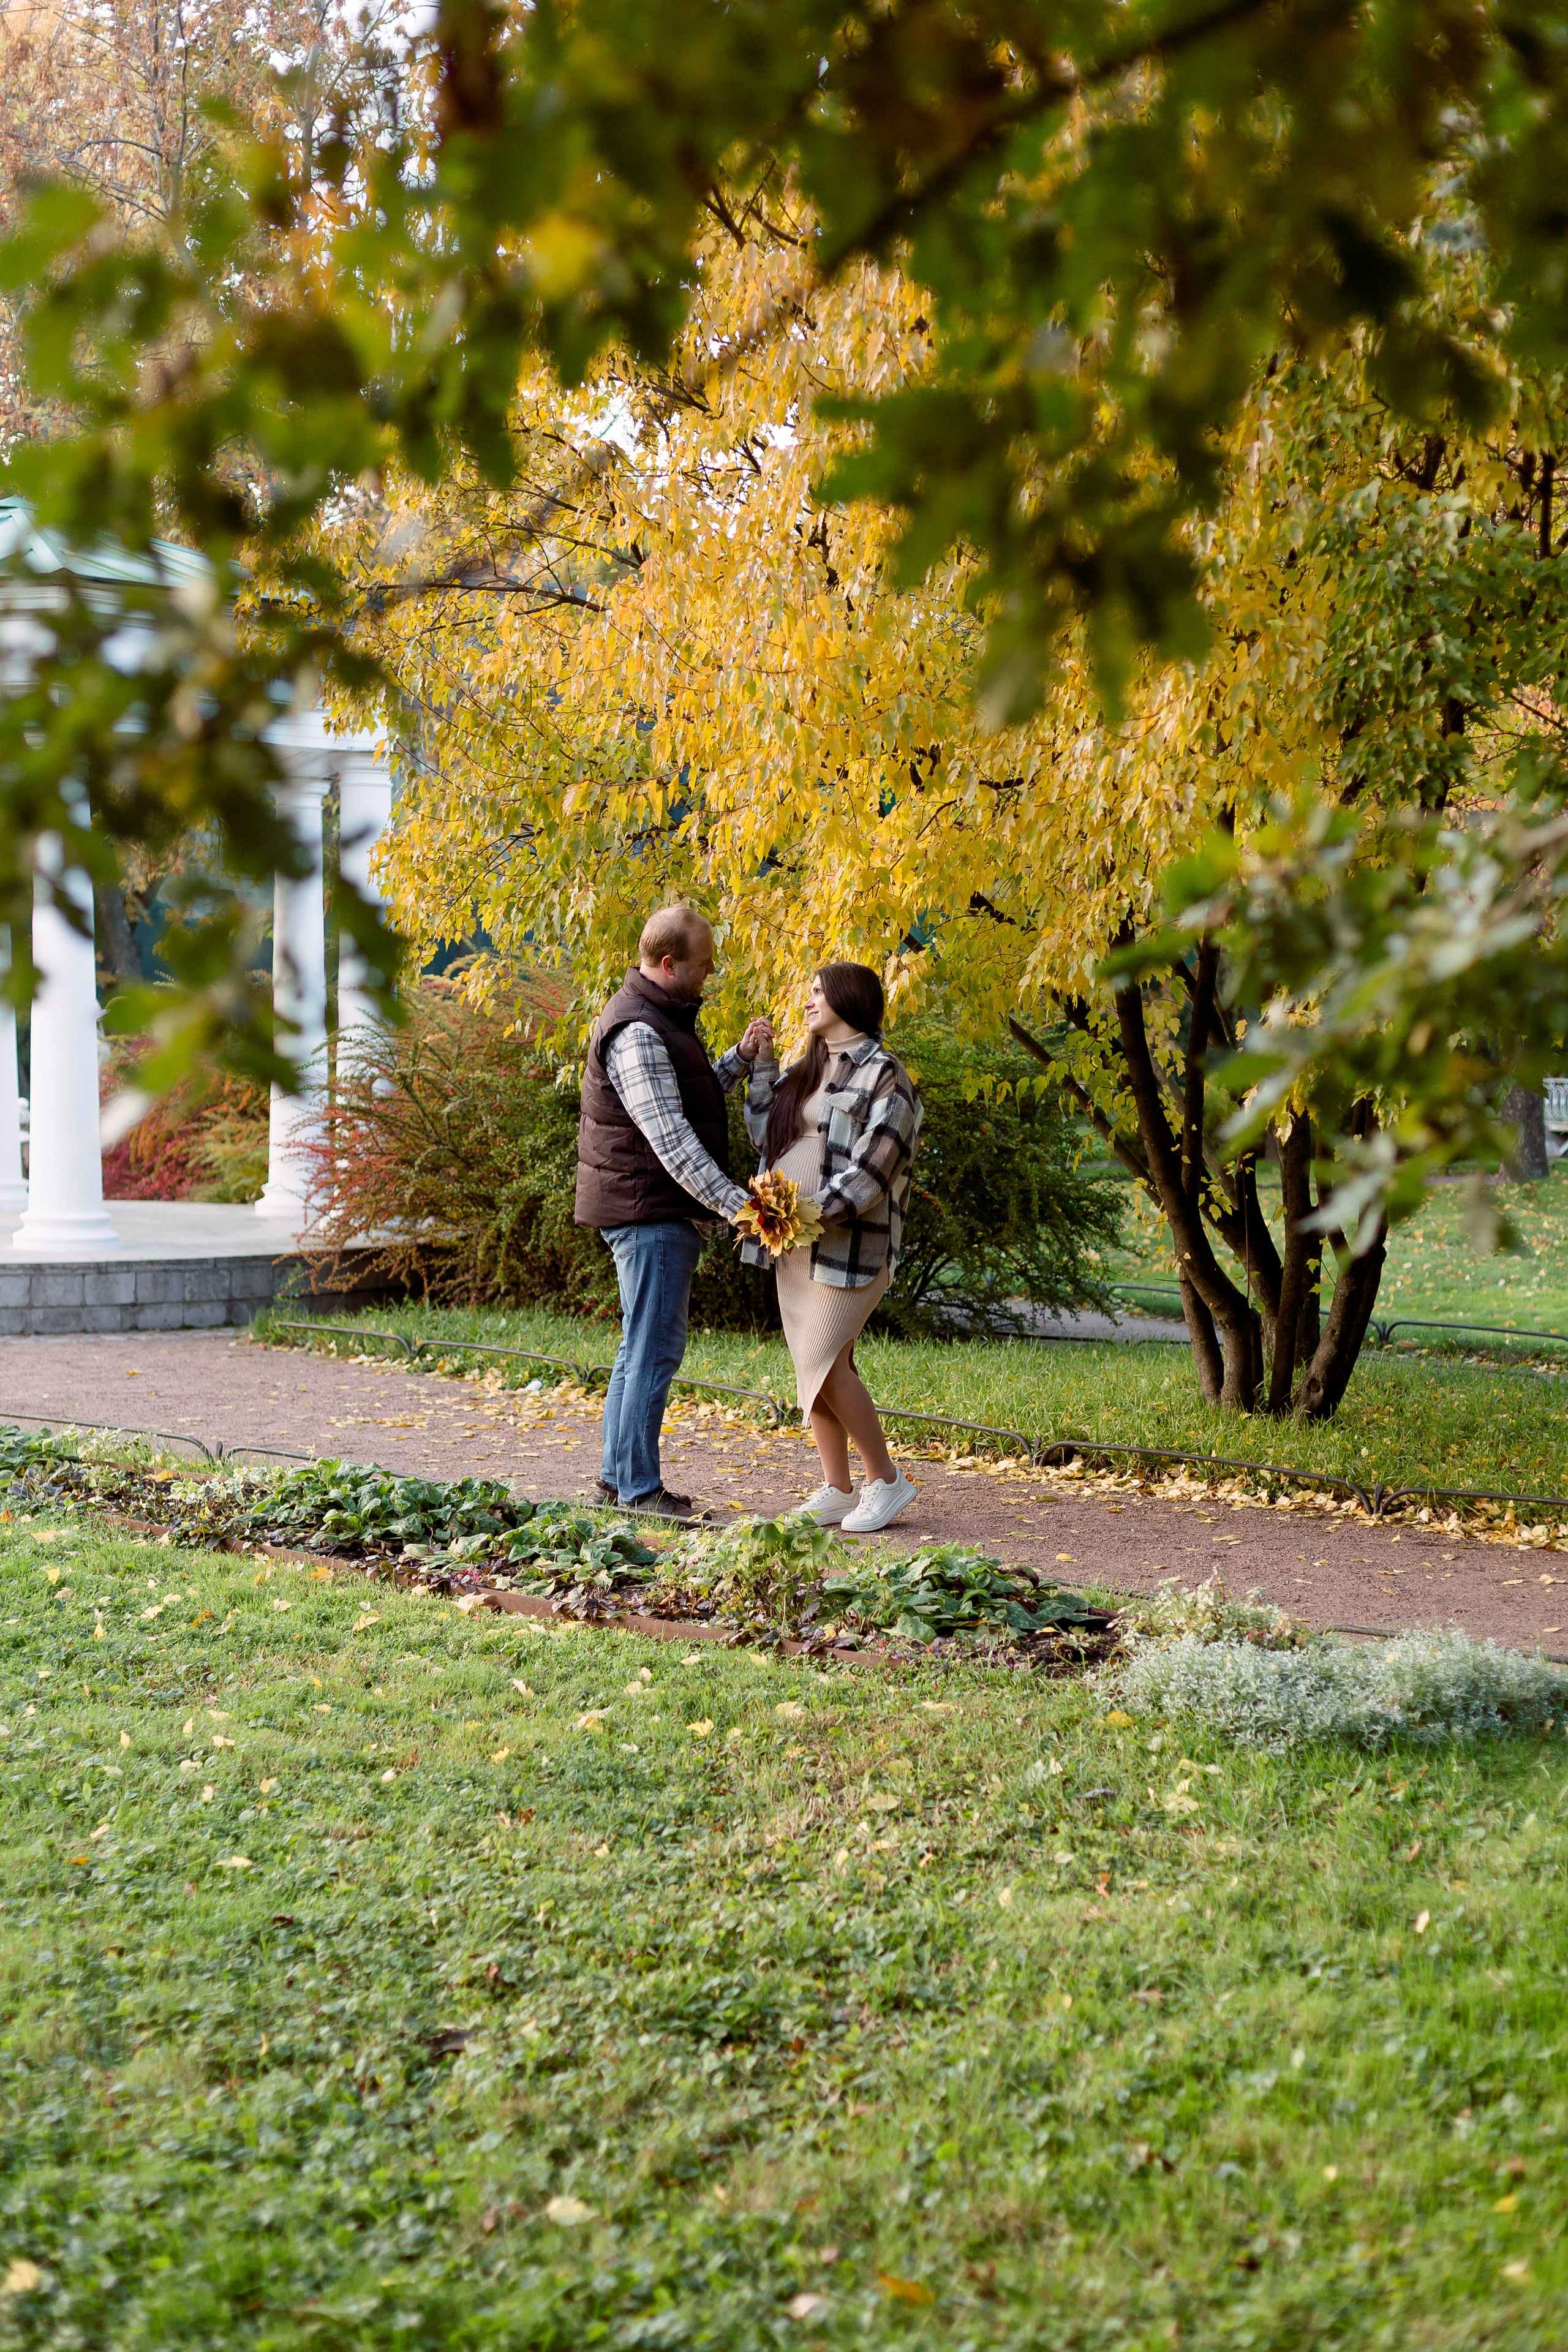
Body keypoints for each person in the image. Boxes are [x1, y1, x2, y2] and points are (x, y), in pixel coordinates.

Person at [575, 904, 774, 1518]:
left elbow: (688, 1095)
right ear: (669, 964)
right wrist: (743, 1208)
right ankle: (639, 1491)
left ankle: (618, 1480)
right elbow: (673, 1143)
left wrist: (739, 1058)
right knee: (653, 1350)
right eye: (704, 965)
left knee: (638, 1349)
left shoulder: (662, 1019)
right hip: (649, 1212)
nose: (709, 975)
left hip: (649, 1209)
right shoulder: (637, 1030)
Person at [741, 961, 922, 1534]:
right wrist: (765, 1065)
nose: (808, 1000)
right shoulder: (809, 1067)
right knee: (816, 1366)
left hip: (850, 1244)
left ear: (849, 997)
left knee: (822, 1359)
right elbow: (762, 1131)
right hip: (793, 1245)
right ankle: (838, 1489)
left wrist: (806, 1213)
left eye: (818, 990)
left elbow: (873, 1170)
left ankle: (887, 1482)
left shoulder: (886, 1076)